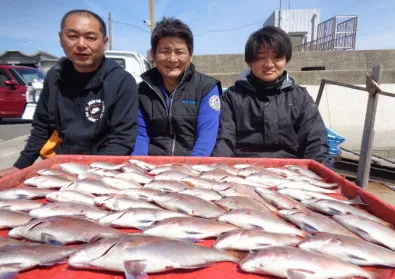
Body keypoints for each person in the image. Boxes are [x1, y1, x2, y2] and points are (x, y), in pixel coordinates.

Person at [0, 9, 138, 178]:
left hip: (104, 169)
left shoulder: (122, 81)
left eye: (90, 37)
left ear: (104, 42)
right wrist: (21, 166)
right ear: (61, 38)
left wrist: (92, 175)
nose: (81, 44)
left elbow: (122, 139)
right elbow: (42, 127)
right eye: (72, 36)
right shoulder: (54, 76)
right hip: (62, 164)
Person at [212, 26, 332, 165]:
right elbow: (223, 141)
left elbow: (316, 143)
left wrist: (324, 172)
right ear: (250, 61)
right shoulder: (231, 98)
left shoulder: (300, 97)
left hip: (293, 171)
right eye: (261, 57)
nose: (269, 64)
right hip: (244, 169)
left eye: (277, 57)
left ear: (286, 59)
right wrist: (219, 169)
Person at [132, 17, 222, 156]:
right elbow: (140, 136)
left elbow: (206, 138)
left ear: (191, 55)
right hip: (153, 166)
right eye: (165, 51)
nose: (172, 59)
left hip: (192, 167)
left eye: (179, 52)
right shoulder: (141, 91)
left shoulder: (207, 88)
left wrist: (190, 170)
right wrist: (139, 167)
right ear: (153, 54)